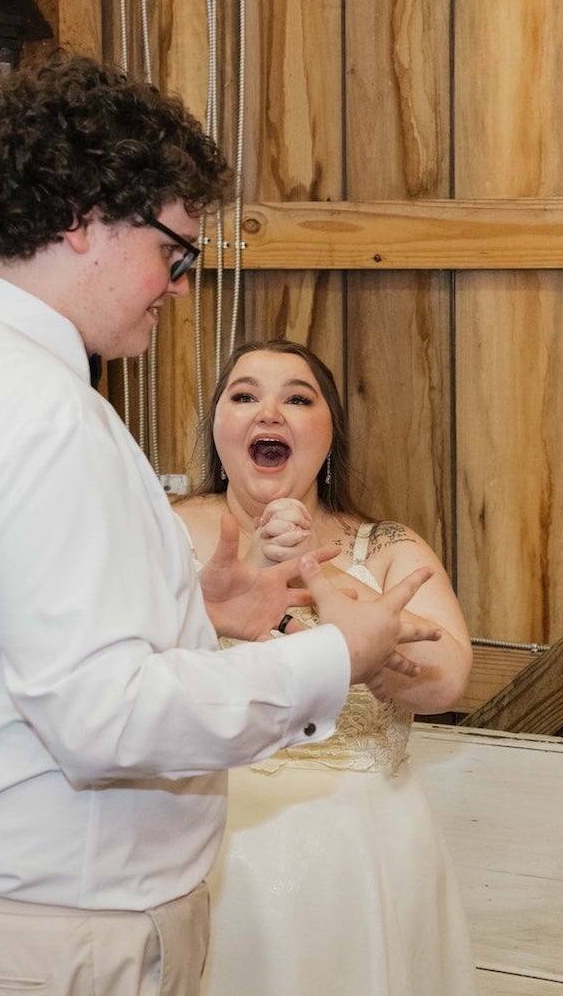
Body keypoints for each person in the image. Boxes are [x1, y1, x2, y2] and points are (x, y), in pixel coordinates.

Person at [0, 56, 438, 996]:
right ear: (83, 220)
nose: (180, 286)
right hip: (55, 936)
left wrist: (187, 610)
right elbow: (104, 719)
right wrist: (334, 657)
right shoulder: (39, 412)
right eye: (175, 252)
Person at [171, 340, 477, 996]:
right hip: (208, 843)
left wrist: (316, 564)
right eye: (244, 396)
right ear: (218, 429)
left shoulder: (386, 546)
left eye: (297, 398)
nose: (269, 412)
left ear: (330, 433)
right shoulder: (161, 531)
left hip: (366, 853)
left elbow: (447, 681)